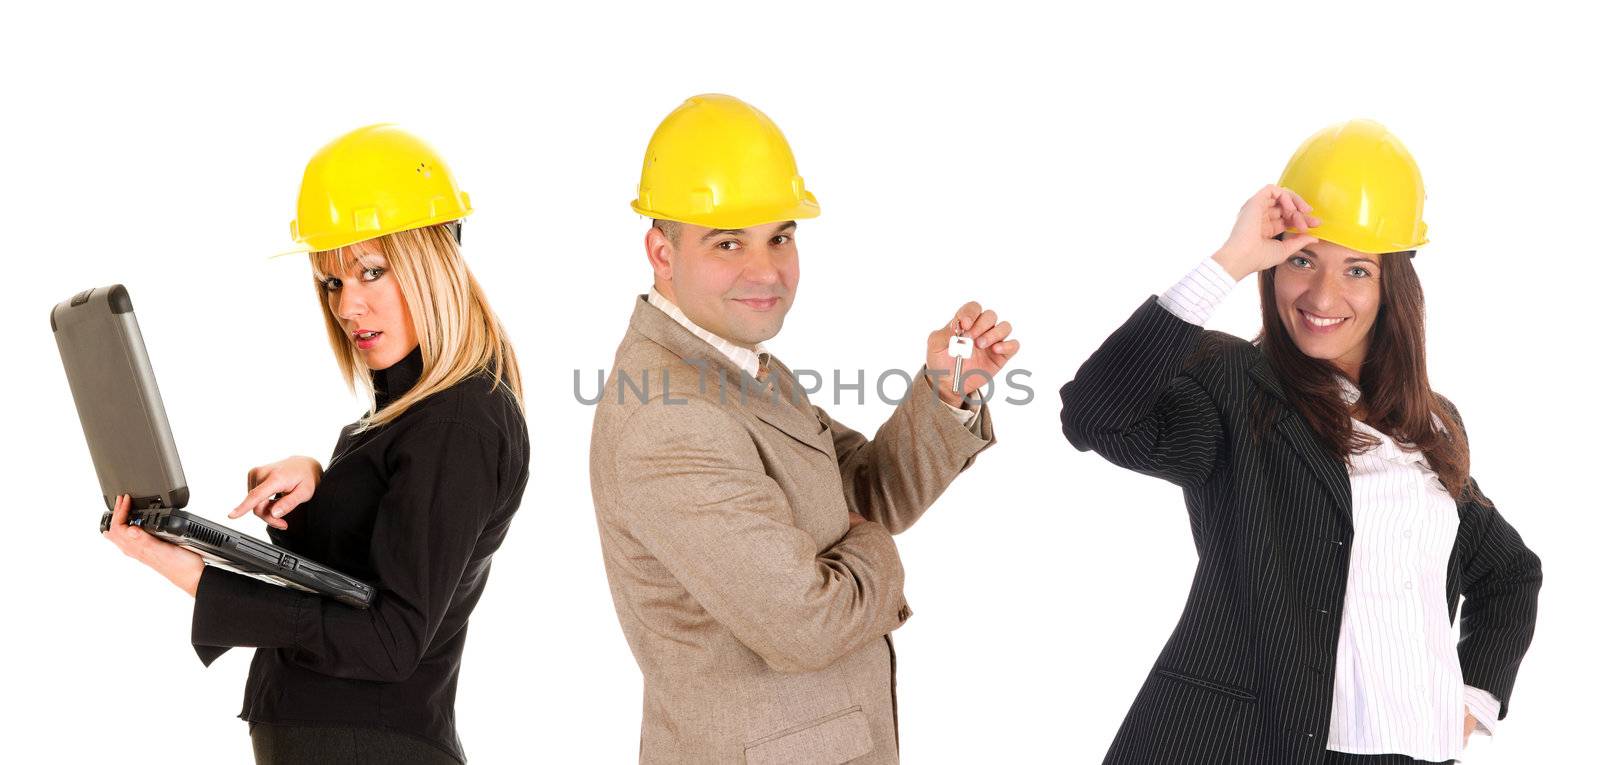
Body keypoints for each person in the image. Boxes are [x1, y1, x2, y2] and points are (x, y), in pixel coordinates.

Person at [1059, 119, 1541, 764]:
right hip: (1261, 746)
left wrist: (1475, 697)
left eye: (1358, 270)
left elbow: (1508, 570)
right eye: (1302, 260)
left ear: (1393, 287)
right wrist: (1228, 260)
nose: (1322, 295)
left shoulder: (1429, 424)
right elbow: (1094, 415)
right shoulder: (1237, 388)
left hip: (1410, 752)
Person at [589, 94, 1018, 763]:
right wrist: (875, 548)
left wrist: (944, 392)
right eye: (728, 242)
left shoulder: (742, 364)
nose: (766, 271)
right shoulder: (667, 417)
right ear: (661, 251)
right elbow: (806, 623)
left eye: (780, 237)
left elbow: (864, 490)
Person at [102, 124, 529, 765]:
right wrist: (317, 496)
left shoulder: (458, 421)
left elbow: (389, 641)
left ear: (436, 262)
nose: (348, 305)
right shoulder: (409, 414)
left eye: (372, 272)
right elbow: (363, 584)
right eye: (332, 282)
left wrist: (197, 577)